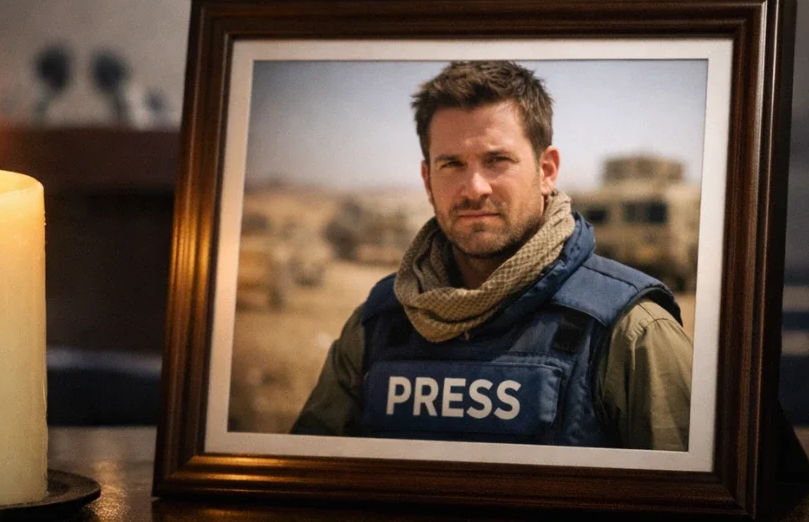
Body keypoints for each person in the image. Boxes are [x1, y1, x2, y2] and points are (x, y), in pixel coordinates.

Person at [290, 61, 693, 451]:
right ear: (428, 180)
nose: (474, 188)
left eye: (497, 160)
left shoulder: (630, 331)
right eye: (452, 164)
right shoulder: (377, 325)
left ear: (547, 169)